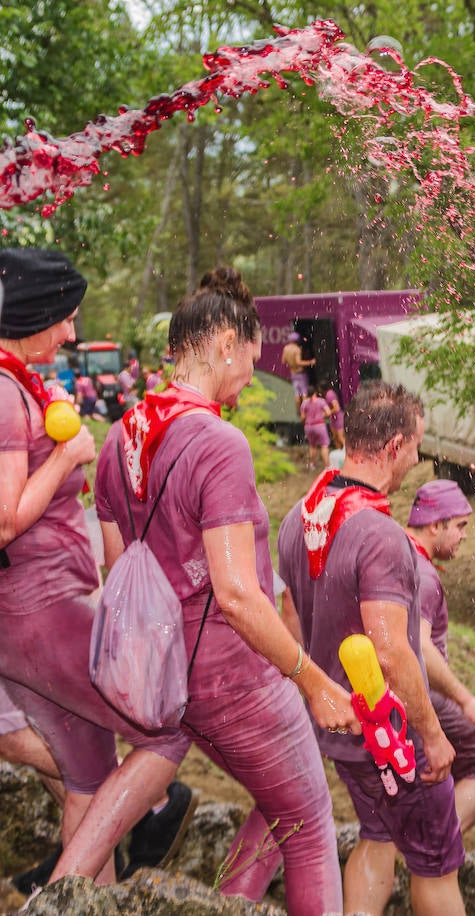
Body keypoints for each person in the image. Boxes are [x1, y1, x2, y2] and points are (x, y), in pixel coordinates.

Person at [92, 267, 351, 913]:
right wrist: (312, 681)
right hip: (234, 674)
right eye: (252, 357)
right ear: (225, 344)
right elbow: (236, 594)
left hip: (168, 673)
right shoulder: (217, 440)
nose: (253, 373)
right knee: (311, 826)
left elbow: (119, 566)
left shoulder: (122, 435)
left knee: (278, 804)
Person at [0, 248, 197, 890]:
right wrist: (68, 457)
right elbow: (4, 518)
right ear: (32, 314)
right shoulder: (4, 395)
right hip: (41, 610)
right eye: (64, 319)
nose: (71, 335)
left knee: (88, 780)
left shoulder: (17, 385)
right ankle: (76, 886)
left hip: (31, 612)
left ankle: (88, 902)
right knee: (166, 728)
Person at [278, 381, 465, 915]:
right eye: (417, 446)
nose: (418, 458)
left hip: (339, 730)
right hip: (394, 737)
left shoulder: (299, 518)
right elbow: (390, 652)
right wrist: (433, 735)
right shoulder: (380, 533)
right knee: (434, 863)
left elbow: (292, 621)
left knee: (376, 837)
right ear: (394, 447)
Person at [404, 481, 475, 832]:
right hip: (422, 693)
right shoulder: (424, 575)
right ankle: (441, 843)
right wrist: (466, 700)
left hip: (389, 693)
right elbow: (418, 645)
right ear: (436, 525)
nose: (465, 535)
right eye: (460, 526)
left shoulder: (396, 549)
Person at [300, 386, 333, 470]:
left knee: (312, 446)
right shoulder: (321, 401)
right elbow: (328, 412)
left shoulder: (304, 403)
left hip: (308, 426)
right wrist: (322, 415)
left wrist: (307, 421)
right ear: (315, 392)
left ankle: (312, 464)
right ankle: (327, 466)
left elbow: (302, 417)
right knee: (324, 445)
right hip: (319, 425)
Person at [281, 331, 315, 401]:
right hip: (300, 373)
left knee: (296, 394)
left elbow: (283, 361)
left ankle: (299, 411)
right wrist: (310, 362)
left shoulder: (286, 348)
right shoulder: (297, 349)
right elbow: (298, 362)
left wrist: (290, 362)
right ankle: (304, 410)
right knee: (304, 392)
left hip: (293, 373)